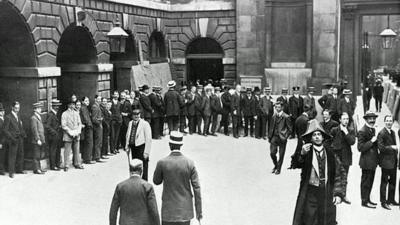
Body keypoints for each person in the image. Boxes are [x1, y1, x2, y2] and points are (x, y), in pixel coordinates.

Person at [292, 119, 344, 225]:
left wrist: (338, 193)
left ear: (323, 136)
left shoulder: (330, 153)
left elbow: (338, 174)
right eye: (314, 134)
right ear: (310, 138)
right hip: (310, 191)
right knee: (310, 219)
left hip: (326, 191)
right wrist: (301, 154)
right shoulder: (307, 150)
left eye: (319, 134)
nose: (317, 136)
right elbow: (296, 164)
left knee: (325, 219)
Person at [153, 131, 202, 225]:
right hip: (185, 212)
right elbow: (197, 188)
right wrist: (199, 212)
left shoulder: (162, 163)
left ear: (170, 145)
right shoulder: (189, 163)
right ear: (181, 145)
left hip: (168, 212)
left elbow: (156, 181)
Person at [109, 159, 160, 225]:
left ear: (130, 170)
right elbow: (154, 211)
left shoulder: (120, 186)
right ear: (141, 170)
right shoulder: (148, 187)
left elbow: (113, 211)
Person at [330, 112, 356, 204]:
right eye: (344, 119)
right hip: (336, 155)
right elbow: (329, 141)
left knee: (344, 177)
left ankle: (343, 195)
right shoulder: (334, 130)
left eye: (347, 119)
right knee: (335, 175)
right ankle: (333, 195)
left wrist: (346, 132)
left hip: (346, 156)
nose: (346, 121)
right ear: (340, 120)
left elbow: (352, 142)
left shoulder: (350, 130)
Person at [357, 111, 379, 208]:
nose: (372, 120)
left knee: (370, 181)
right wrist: (371, 141)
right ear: (366, 119)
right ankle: (364, 201)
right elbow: (360, 148)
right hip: (366, 162)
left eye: (373, 118)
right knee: (366, 182)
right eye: (370, 118)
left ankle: (368, 199)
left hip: (373, 161)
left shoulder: (372, 130)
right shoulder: (362, 131)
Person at [377, 115, 399, 210]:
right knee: (384, 182)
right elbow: (381, 148)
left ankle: (391, 199)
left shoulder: (393, 132)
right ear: (384, 122)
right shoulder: (382, 133)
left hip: (393, 161)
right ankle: (383, 202)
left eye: (390, 121)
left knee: (393, 182)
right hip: (385, 162)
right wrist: (392, 147)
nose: (389, 122)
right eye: (387, 121)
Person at [125, 109, 152, 181]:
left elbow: (148, 139)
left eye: (138, 114)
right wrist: (127, 146)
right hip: (133, 147)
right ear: (132, 116)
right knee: (134, 165)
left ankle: (144, 181)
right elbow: (128, 135)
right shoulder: (130, 123)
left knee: (143, 165)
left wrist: (146, 152)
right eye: (134, 115)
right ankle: (135, 180)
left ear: (140, 115)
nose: (136, 116)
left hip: (141, 147)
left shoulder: (145, 124)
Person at [3, 101, 27, 178]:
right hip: (13, 140)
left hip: (19, 139)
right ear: (12, 107)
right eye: (16, 108)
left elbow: (20, 126)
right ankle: (11, 172)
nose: (17, 109)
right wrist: (11, 138)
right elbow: (5, 130)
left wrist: (23, 135)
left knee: (20, 154)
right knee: (12, 156)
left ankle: (19, 169)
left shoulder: (18, 116)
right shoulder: (8, 117)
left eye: (18, 108)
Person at [268, 101, 292, 175]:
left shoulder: (286, 117)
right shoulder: (274, 116)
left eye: (279, 107)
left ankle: (278, 169)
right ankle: (276, 165)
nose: (277, 109)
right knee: (272, 153)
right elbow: (271, 127)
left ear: (282, 108)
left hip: (282, 138)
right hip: (274, 137)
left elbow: (290, 129)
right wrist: (270, 136)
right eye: (276, 107)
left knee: (281, 155)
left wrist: (285, 136)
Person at [61, 101, 83, 171]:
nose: (73, 106)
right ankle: (66, 165)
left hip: (76, 134)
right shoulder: (64, 114)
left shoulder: (76, 113)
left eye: (73, 104)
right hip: (68, 135)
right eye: (71, 104)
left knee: (76, 150)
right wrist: (70, 132)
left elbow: (80, 123)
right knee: (67, 151)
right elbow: (63, 125)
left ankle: (77, 163)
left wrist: (77, 131)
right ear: (68, 105)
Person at [289, 105, 312, 169]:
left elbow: (295, 129)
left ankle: (294, 163)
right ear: (309, 111)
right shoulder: (307, 120)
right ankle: (299, 164)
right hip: (305, 139)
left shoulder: (298, 118)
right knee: (302, 151)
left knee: (298, 150)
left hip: (299, 137)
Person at [45, 100, 62, 170]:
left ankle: (57, 164)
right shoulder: (50, 114)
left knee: (58, 150)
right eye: (57, 106)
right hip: (53, 136)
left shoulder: (55, 114)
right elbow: (47, 126)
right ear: (54, 106)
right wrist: (54, 132)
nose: (58, 107)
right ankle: (53, 166)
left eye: (58, 106)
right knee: (53, 151)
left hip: (57, 136)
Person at [30, 102, 46, 174]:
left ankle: (39, 168)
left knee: (39, 155)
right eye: (38, 108)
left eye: (40, 108)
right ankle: (36, 169)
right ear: (35, 110)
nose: (40, 109)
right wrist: (38, 139)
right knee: (36, 155)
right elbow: (34, 130)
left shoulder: (38, 117)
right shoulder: (33, 118)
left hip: (40, 139)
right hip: (37, 140)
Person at [80, 96, 94, 164]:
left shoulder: (85, 108)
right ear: (82, 102)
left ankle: (87, 158)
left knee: (88, 143)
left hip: (87, 128)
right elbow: (86, 119)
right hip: (88, 129)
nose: (87, 102)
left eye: (88, 101)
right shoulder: (83, 108)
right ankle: (88, 159)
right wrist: (90, 125)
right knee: (89, 143)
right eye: (86, 101)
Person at [92, 94, 105, 162]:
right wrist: (99, 120)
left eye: (100, 99)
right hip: (97, 127)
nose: (100, 101)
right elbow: (93, 119)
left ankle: (98, 156)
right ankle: (97, 157)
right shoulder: (95, 107)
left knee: (99, 142)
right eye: (98, 99)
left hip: (99, 126)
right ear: (95, 99)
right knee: (98, 142)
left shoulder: (98, 106)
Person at [0, 103, 5, 175]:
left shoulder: (4, 119)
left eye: (3, 111)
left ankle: (3, 168)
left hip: (5, 140)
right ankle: (1, 170)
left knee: (3, 155)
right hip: (1, 141)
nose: (2, 112)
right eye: (1, 111)